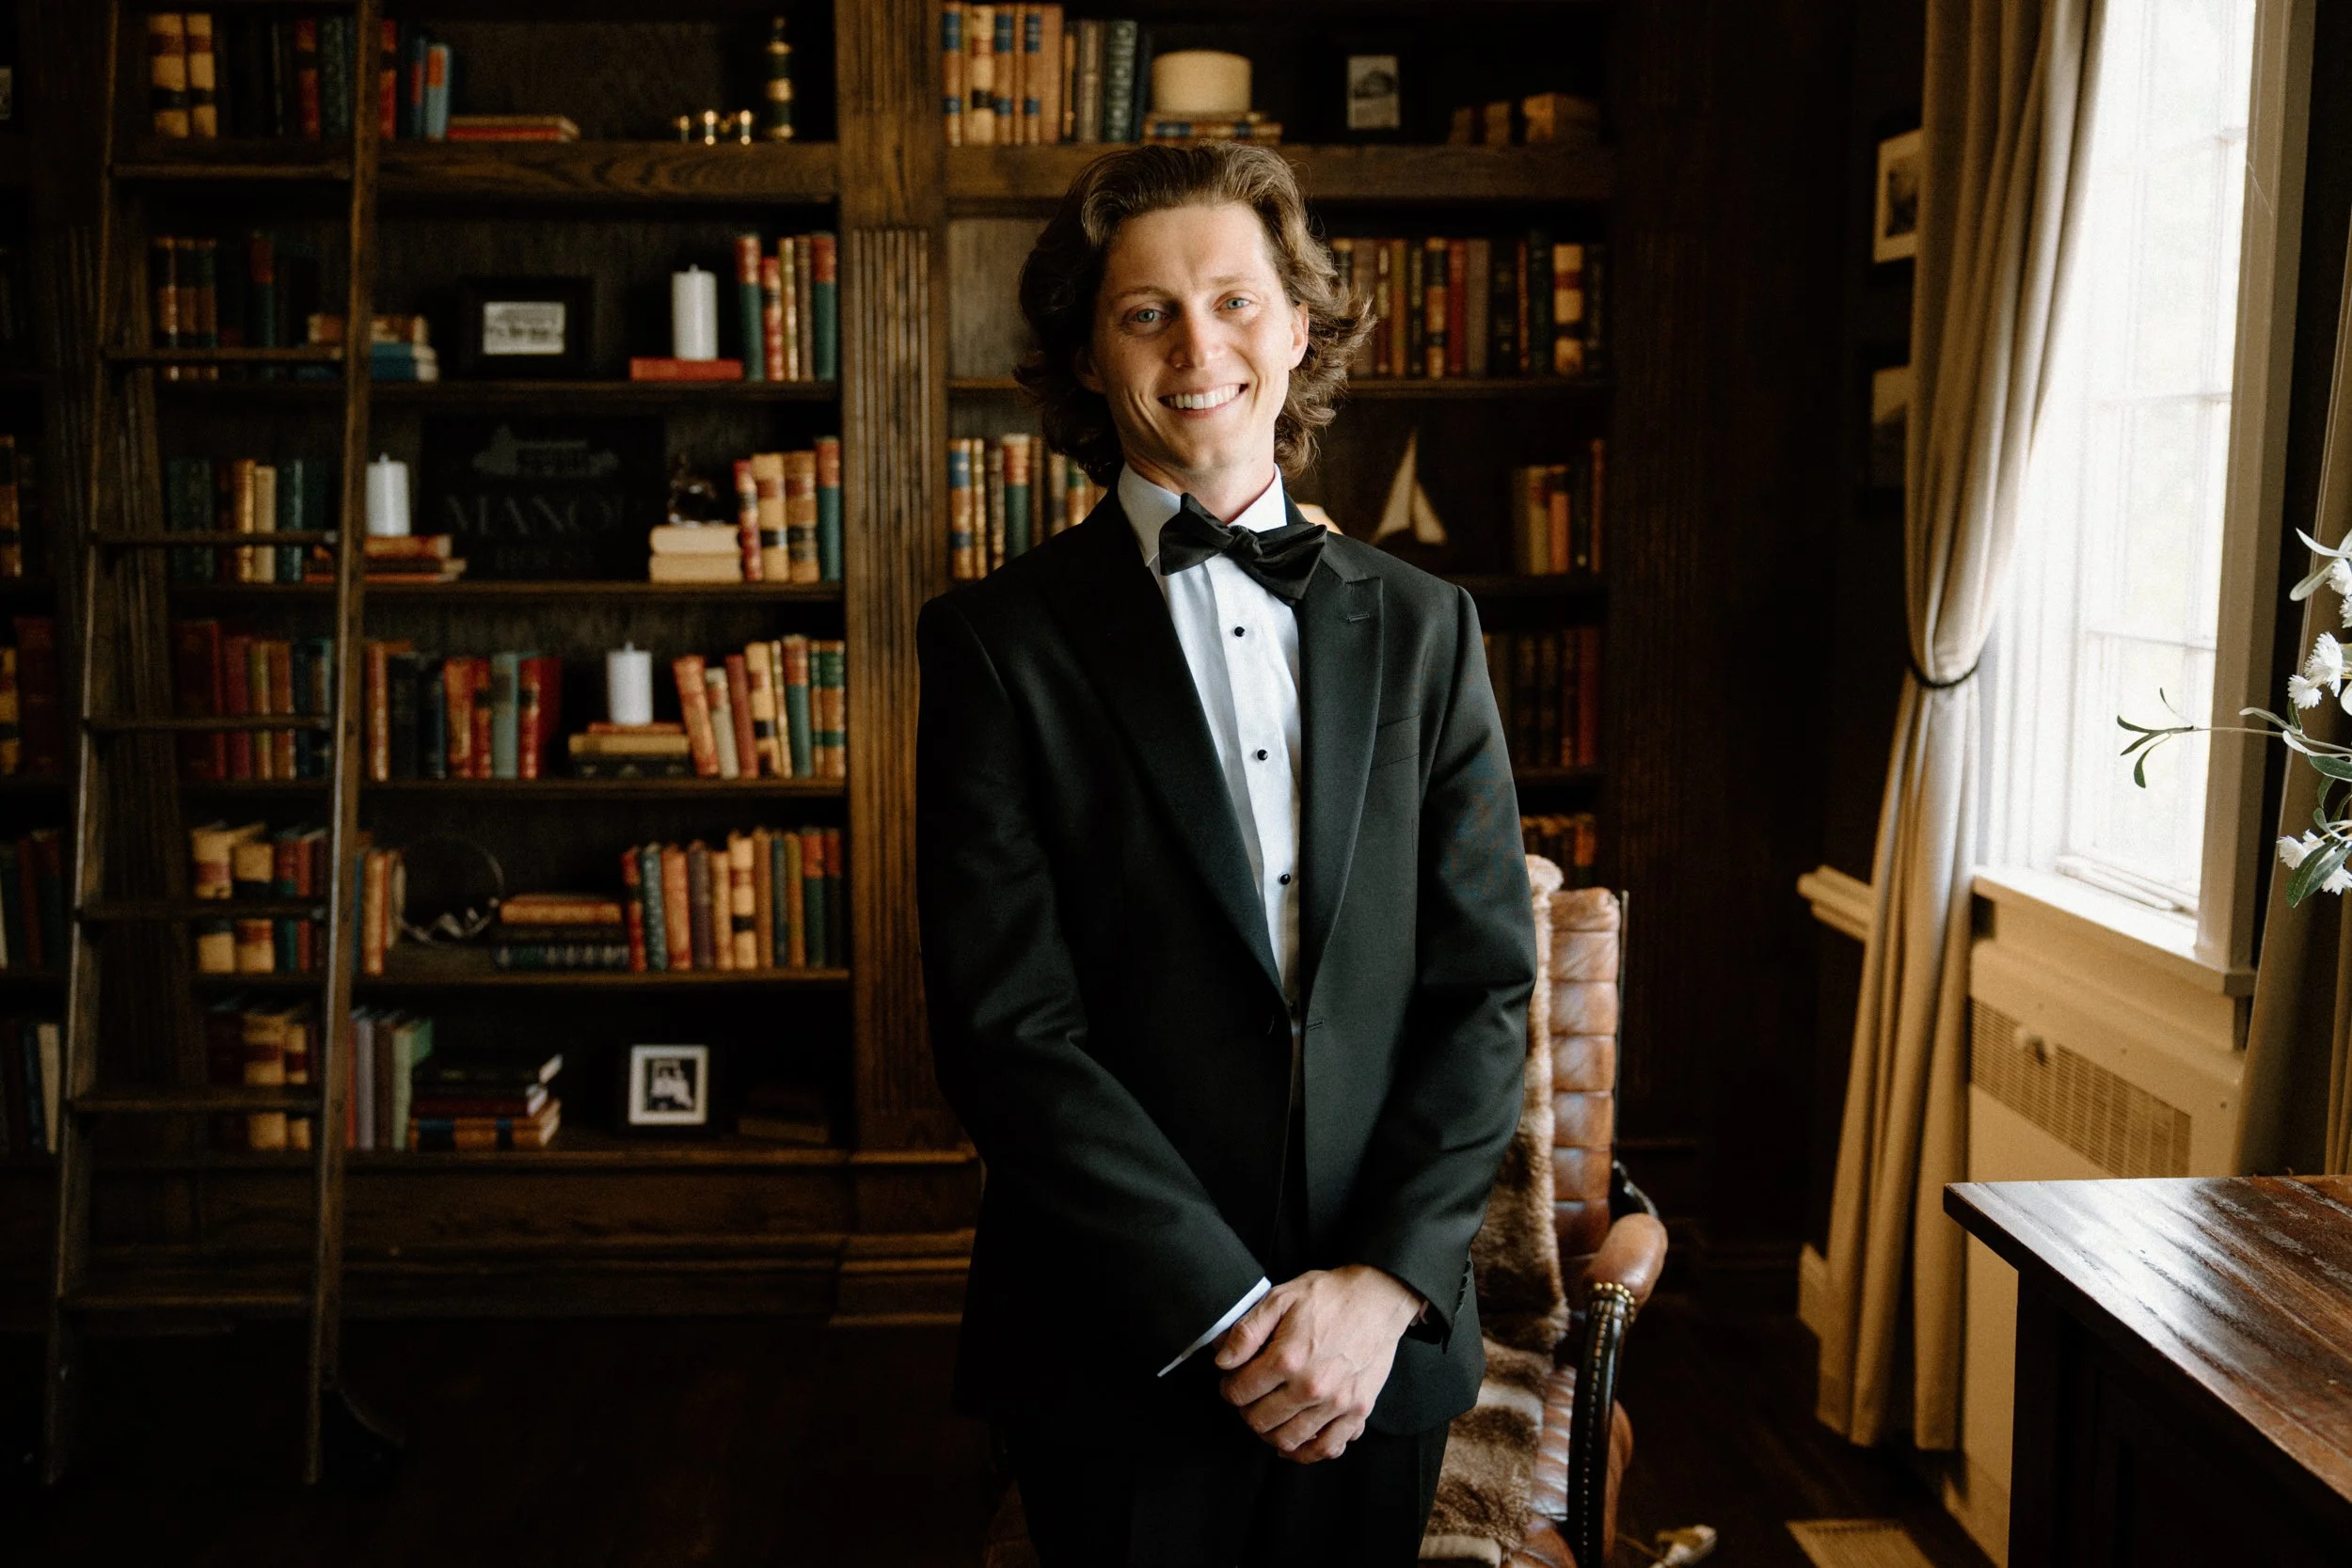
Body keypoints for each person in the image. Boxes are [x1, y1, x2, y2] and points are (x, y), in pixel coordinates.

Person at [915, 142, 1534, 1566]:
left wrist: (1379, 1287)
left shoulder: (1431, 628)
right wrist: (1229, 1310)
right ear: (1087, 350)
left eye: (1236, 300)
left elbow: (1485, 984)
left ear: (1299, 324)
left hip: (1383, 1353)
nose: (1200, 345)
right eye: (1147, 312)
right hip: (1116, 1338)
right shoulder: (997, 645)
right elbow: (1008, 1029)